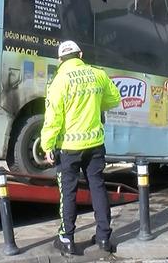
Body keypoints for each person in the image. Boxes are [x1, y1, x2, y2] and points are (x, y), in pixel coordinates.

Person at [41, 40, 121, 256]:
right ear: (81, 54)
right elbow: (114, 99)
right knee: (98, 187)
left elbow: (53, 117)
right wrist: (94, 103)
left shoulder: (58, 81)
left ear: (59, 60)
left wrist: (47, 144)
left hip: (68, 148)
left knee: (68, 192)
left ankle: (67, 239)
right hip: (95, 144)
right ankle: (104, 237)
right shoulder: (98, 74)